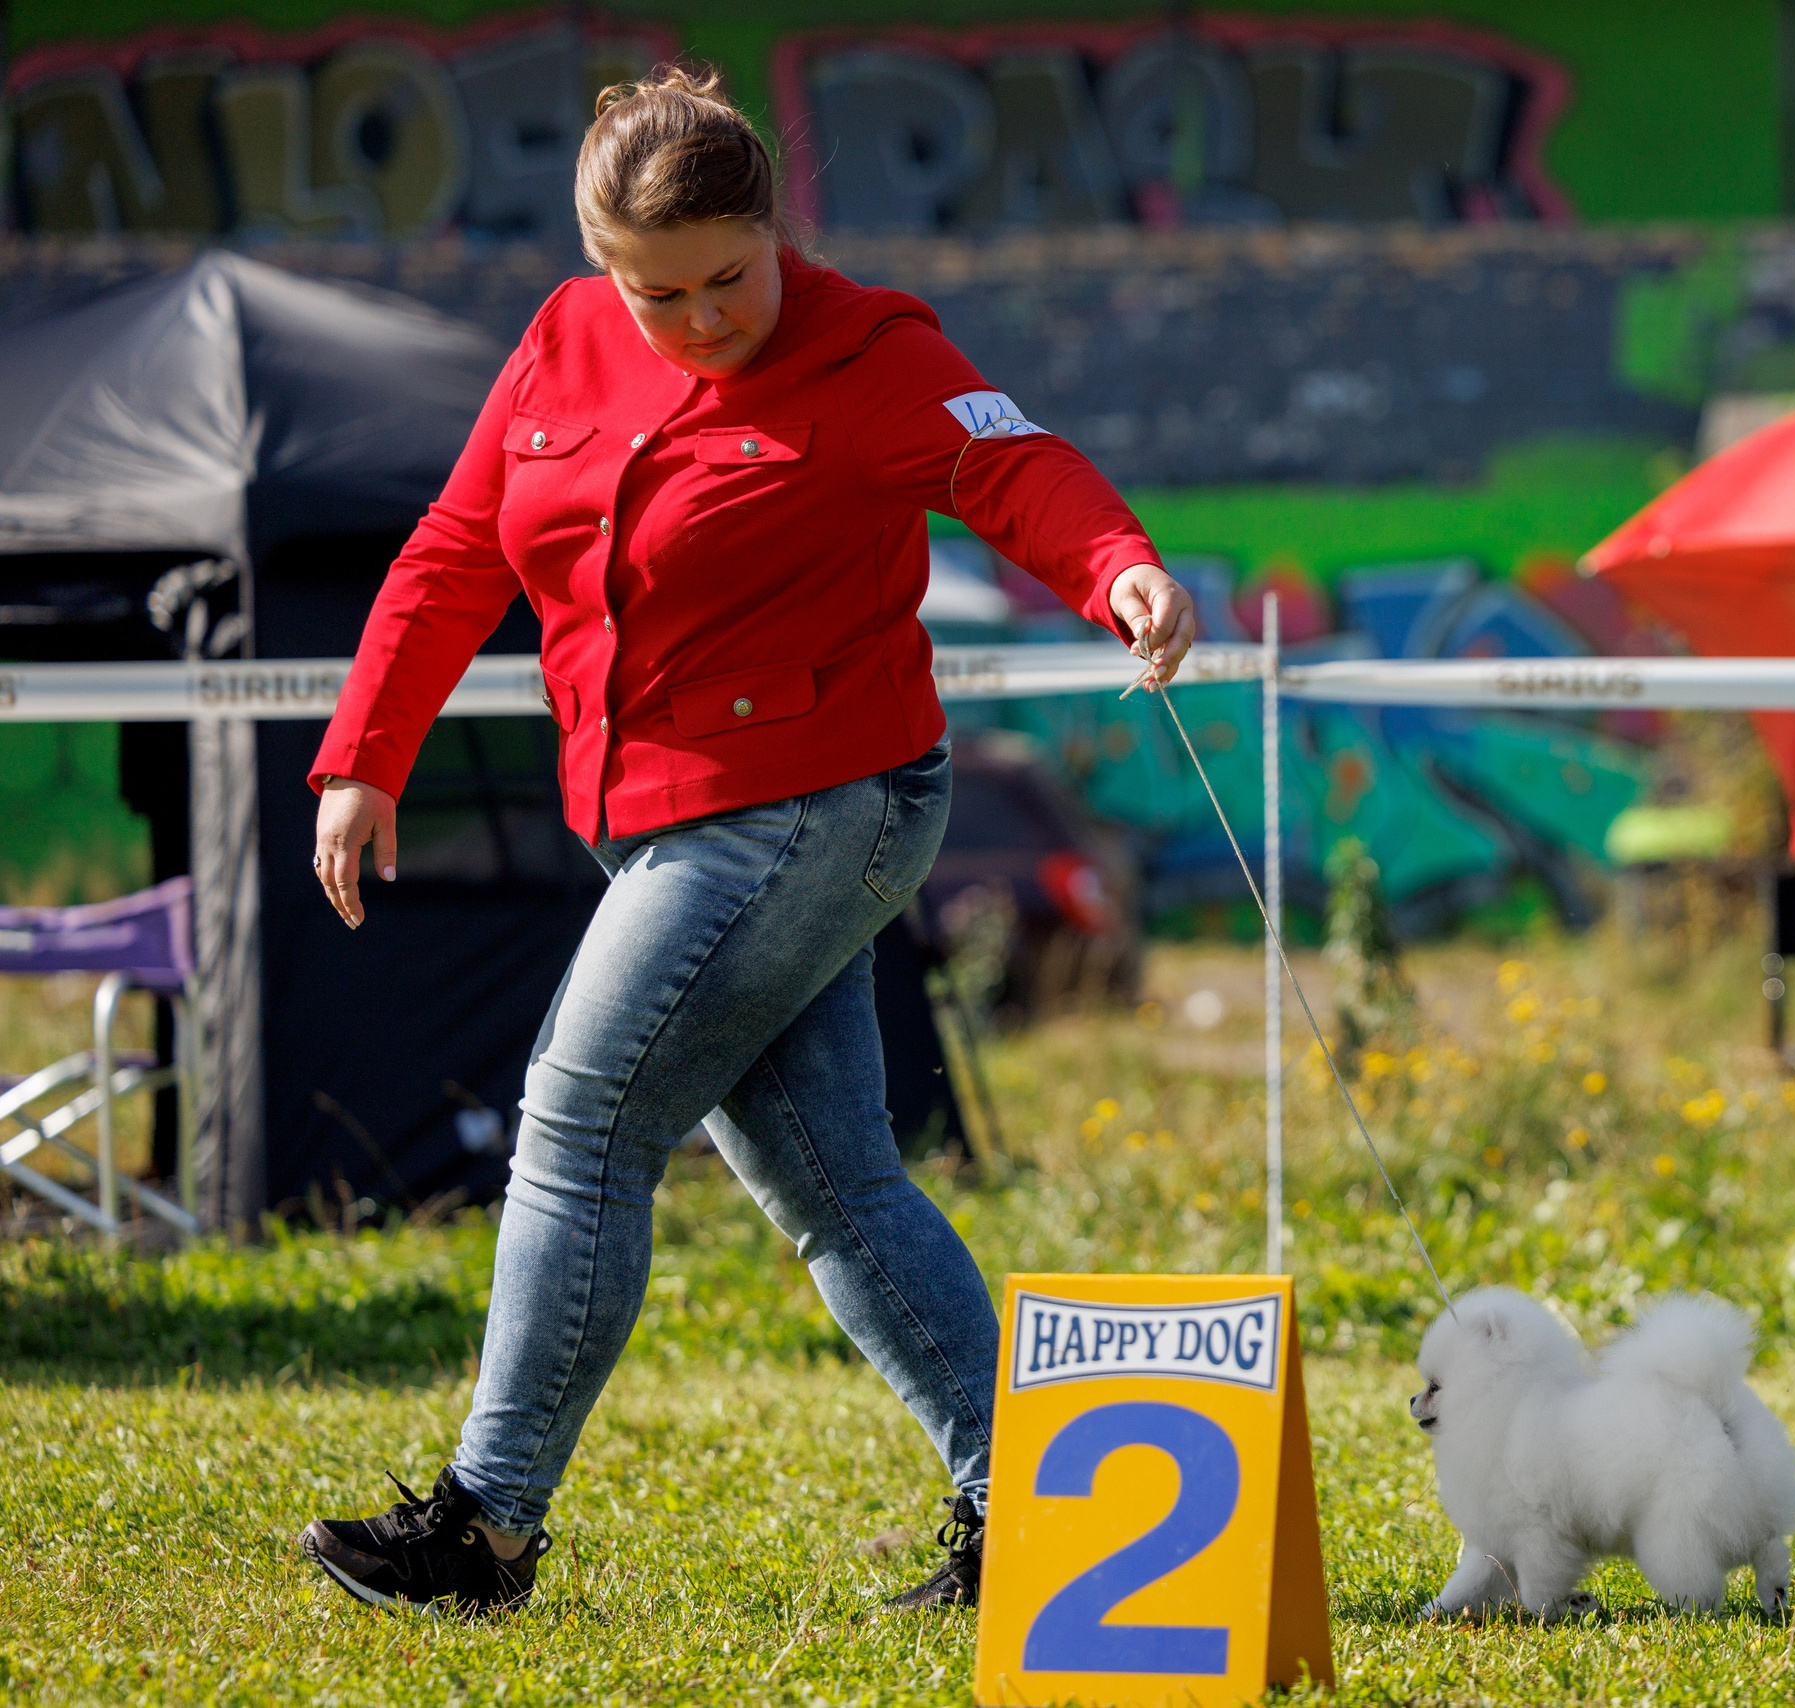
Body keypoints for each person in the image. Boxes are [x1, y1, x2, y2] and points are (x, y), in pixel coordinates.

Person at [293, 66, 1196, 1618]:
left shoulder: (872, 349)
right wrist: (364, 756)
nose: (705, 320)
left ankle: (484, 1531)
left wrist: (1119, 565)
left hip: (817, 811)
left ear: (779, 232)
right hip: (653, 821)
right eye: (661, 294)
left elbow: (1013, 466)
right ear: (600, 267)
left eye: (732, 278)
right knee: (836, 1185)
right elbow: (453, 553)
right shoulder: (562, 347)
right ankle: (1039, 1516)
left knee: (580, 1129)